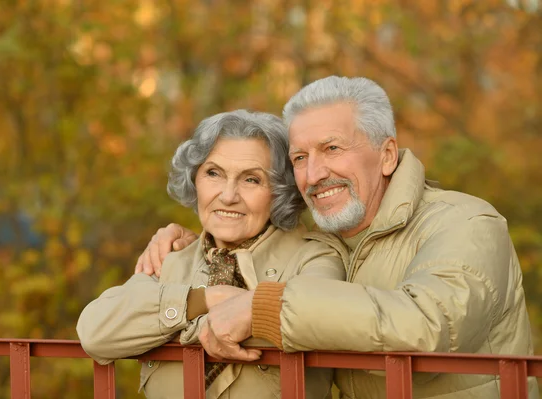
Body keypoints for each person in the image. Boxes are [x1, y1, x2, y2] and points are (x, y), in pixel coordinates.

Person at [137, 76, 538, 398]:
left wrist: (262, 309)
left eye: (332, 148)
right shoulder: (326, 242)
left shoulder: (467, 222)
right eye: (299, 158)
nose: (313, 174)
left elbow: (429, 325)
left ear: (387, 155)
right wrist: (194, 242)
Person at [77, 110, 346, 398]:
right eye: (214, 173)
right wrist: (205, 299)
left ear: (280, 191)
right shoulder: (172, 258)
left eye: (251, 180)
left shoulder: (315, 256)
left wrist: (183, 326)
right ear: (195, 180)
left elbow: (316, 317)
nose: (228, 195)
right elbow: (96, 333)